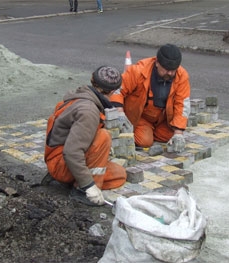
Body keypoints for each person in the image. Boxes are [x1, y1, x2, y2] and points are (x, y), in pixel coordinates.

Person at [44, 66, 127, 206]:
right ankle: (80, 191)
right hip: (61, 163)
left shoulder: (80, 96)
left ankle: (66, 179)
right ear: (113, 91)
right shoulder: (88, 111)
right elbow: (71, 152)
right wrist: (89, 186)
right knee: (104, 139)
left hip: (56, 157)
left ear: (92, 79)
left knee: (118, 171)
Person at [111, 44, 191, 152]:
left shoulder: (182, 76)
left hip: (162, 118)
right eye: (167, 70)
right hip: (141, 117)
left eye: (173, 70)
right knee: (145, 141)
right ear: (157, 63)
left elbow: (182, 104)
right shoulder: (138, 71)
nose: (170, 73)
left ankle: (149, 132)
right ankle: (140, 132)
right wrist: (119, 113)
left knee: (173, 135)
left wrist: (178, 133)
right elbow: (118, 90)